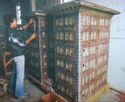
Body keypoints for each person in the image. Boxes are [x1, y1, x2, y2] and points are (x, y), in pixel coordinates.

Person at [3, 14, 36, 98]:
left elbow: (21, 28)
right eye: (15, 21)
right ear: (11, 22)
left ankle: (11, 89)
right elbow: (22, 44)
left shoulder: (11, 29)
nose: (16, 22)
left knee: (15, 73)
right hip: (18, 55)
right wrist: (31, 38)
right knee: (20, 75)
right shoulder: (11, 33)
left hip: (15, 55)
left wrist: (29, 23)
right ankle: (19, 94)